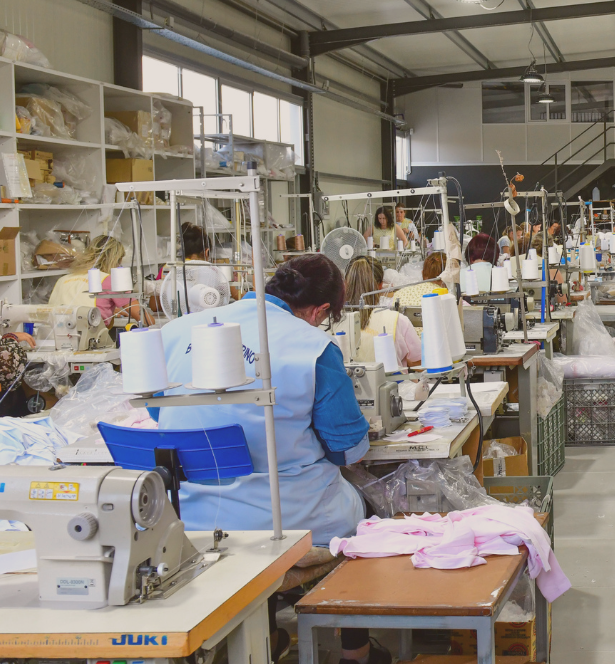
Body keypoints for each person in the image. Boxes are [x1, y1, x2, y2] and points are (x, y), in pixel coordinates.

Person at [155, 254, 390, 664]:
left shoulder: (177, 331)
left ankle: (270, 634)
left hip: (189, 515)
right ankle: (356, 652)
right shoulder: (313, 347)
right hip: (282, 517)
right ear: (319, 310)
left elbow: (161, 414)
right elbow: (348, 448)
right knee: (366, 511)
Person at [49, 235, 152, 326]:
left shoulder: (62, 280)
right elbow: (147, 321)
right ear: (117, 260)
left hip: (56, 336)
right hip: (90, 337)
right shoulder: (111, 281)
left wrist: (107, 310)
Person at [344, 256, 421, 367]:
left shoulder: (332, 322)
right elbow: (419, 362)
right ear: (381, 285)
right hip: (391, 379)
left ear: (345, 284)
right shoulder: (398, 321)